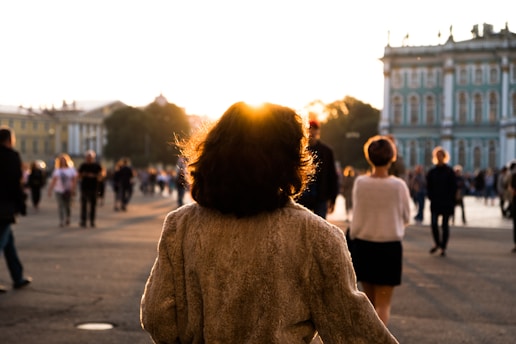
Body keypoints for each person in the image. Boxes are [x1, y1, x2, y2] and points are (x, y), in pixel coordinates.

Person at [140, 102, 398, 343]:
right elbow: (353, 329)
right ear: (290, 161)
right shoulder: (316, 236)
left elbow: (157, 317)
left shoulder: (180, 225)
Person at [348, 135, 411, 325]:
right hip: (389, 246)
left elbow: (356, 214)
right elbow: (407, 216)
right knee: (384, 305)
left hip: (364, 244)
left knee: (369, 301)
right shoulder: (398, 185)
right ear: (392, 157)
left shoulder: (360, 183)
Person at [0, 126, 32, 291]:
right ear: (9, 140)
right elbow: (15, 183)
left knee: (8, 242)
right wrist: (21, 204)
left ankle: (17, 276)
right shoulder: (12, 157)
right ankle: (17, 277)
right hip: (4, 205)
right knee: (2, 240)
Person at [296, 118, 339, 219]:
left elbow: (332, 175)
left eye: (315, 129)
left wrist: (333, 198)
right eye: (310, 128)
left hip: (320, 196)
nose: (312, 131)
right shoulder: (299, 150)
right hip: (302, 196)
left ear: (318, 131)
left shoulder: (327, 151)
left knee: (320, 229)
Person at [426, 146, 457, 257]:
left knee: (444, 225)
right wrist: (430, 196)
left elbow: (454, 187)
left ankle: (443, 246)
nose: (439, 157)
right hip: (435, 202)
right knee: (434, 224)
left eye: (441, 155)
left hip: (446, 202)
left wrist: (452, 200)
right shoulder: (432, 172)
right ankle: (437, 243)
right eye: (437, 155)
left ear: (444, 157)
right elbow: (428, 186)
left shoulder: (449, 172)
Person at [47, 153, 78, 227]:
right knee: (60, 205)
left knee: (67, 205)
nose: (63, 162)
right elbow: (54, 181)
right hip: (59, 190)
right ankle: (61, 220)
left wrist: (73, 189)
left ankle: (67, 217)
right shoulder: (57, 170)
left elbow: (74, 180)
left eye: (64, 160)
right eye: (61, 160)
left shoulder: (71, 170)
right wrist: (50, 190)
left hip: (68, 190)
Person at [78, 150, 103, 228]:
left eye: (90, 157)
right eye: (87, 157)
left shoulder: (97, 165)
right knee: (84, 205)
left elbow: (101, 175)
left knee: (93, 205)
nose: (89, 158)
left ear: (93, 158)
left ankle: (92, 221)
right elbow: (79, 175)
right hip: (84, 187)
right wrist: (84, 174)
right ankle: (83, 221)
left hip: (94, 187)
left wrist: (95, 176)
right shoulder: (83, 165)